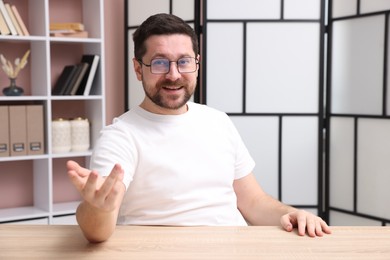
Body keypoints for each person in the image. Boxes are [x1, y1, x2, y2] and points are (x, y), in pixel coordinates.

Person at [67, 13, 331, 243]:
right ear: (138, 69)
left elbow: (253, 202)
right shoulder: (121, 136)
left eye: (183, 61)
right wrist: (96, 210)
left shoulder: (218, 122)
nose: (173, 74)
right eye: (159, 62)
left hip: (232, 250)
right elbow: (97, 229)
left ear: (196, 64)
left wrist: (291, 213)